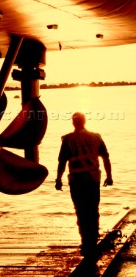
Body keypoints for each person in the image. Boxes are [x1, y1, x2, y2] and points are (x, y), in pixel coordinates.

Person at [55, 112, 113, 275]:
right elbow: (106, 157)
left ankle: (85, 242)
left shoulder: (68, 140)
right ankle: (92, 242)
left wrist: (58, 179)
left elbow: (62, 162)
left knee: (81, 212)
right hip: (93, 180)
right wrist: (109, 176)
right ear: (84, 122)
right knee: (93, 211)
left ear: (73, 124)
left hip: (77, 181)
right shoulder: (96, 137)